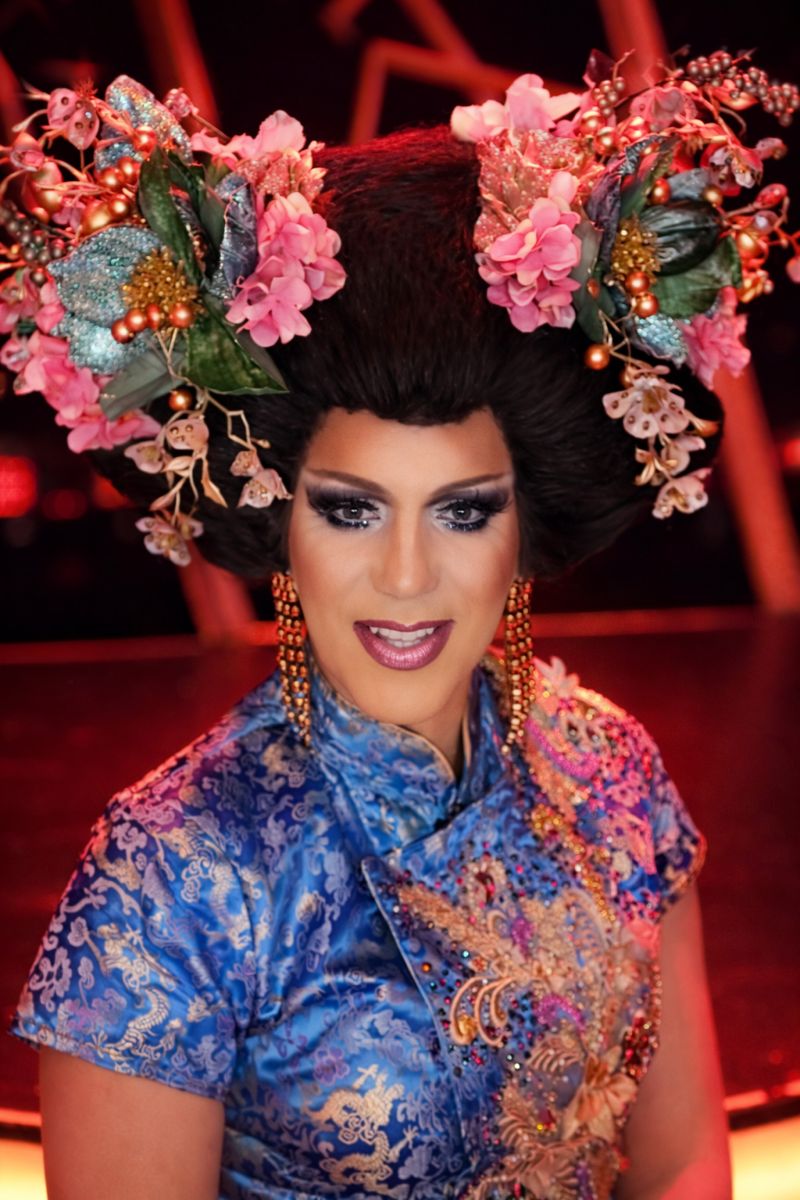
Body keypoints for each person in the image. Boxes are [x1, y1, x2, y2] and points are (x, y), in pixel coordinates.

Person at [6, 47, 797, 1200]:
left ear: (524, 529)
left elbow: (680, 1160)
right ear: (281, 525)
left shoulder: (611, 770)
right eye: (350, 510)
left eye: (464, 511)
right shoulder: (174, 874)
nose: (407, 574)